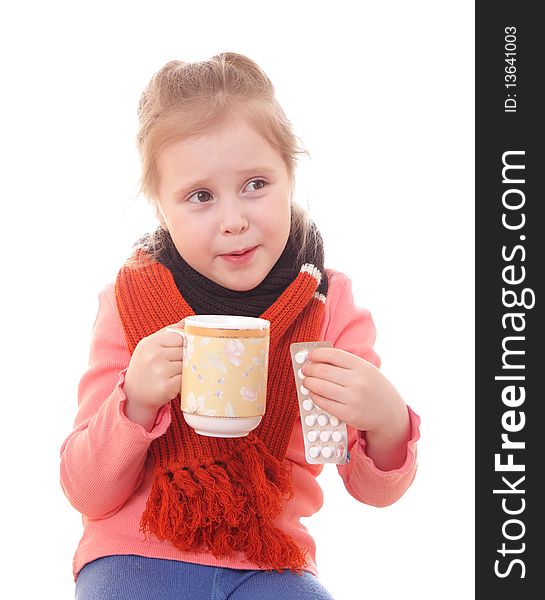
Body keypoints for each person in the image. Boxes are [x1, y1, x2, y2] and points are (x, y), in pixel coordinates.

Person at [60, 52, 421, 600]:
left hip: (271, 562)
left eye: (256, 184)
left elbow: (372, 489)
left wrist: (388, 424)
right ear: (161, 208)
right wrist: (133, 402)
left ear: (289, 176)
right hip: (134, 552)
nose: (234, 220)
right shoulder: (129, 302)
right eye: (200, 196)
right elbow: (86, 490)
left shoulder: (326, 303)